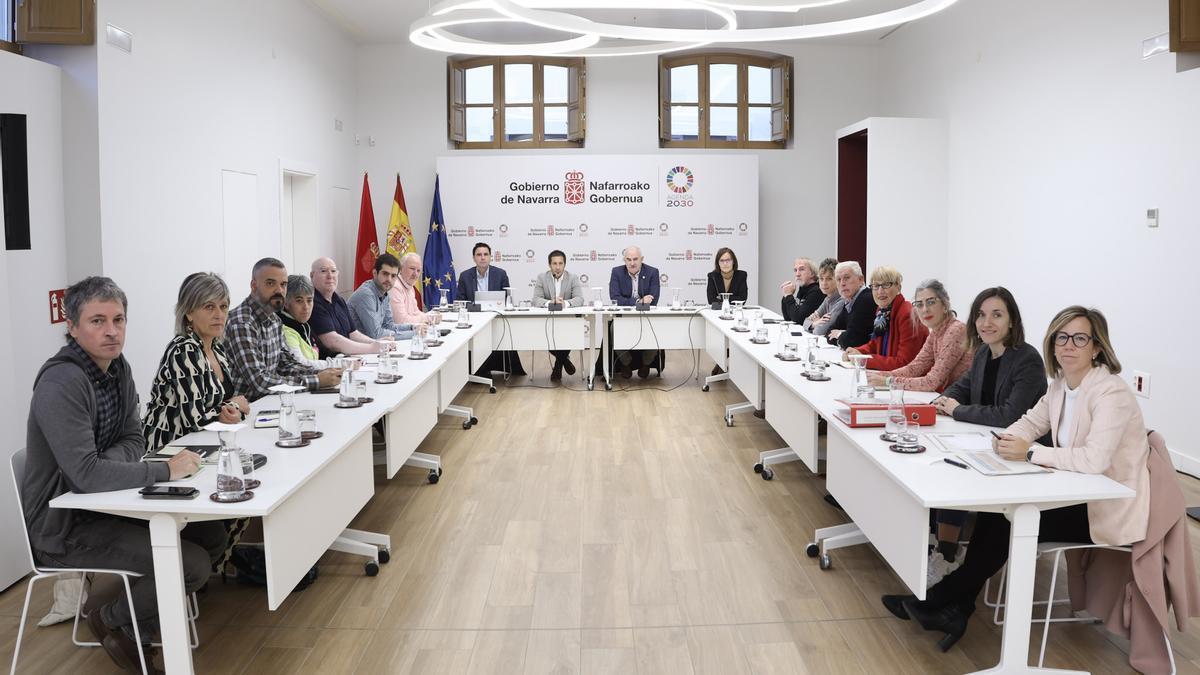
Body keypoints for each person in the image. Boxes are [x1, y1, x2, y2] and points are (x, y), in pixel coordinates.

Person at [889, 306, 1150, 653]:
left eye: (1080, 338)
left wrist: (1028, 452)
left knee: (1009, 520)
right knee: (998, 514)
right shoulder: (1061, 385)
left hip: (1105, 507)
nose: (1068, 345)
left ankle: (943, 600)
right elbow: (1029, 422)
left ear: (1097, 347)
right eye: (1061, 337)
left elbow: (1093, 459)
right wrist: (1004, 441)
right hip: (1073, 491)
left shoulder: (1110, 393)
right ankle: (952, 606)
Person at [22, 277, 227, 673]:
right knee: (192, 565)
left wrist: (105, 464)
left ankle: (137, 623)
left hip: (102, 502)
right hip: (62, 526)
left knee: (211, 534)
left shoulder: (117, 368)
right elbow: (85, 476)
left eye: (118, 319)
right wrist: (163, 468)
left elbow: (136, 438)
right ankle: (112, 618)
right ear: (73, 326)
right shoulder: (61, 382)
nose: (111, 330)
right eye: (97, 321)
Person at [913, 287, 1049, 579]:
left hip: (1020, 454)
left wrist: (955, 410)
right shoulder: (985, 352)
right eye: (981, 315)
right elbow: (962, 386)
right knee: (940, 461)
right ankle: (943, 545)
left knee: (954, 471)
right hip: (984, 441)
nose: (987, 322)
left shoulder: (1028, 360)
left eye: (996, 315)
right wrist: (943, 400)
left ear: (1012, 320)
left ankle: (947, 554)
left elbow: (1009, 416)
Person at [143, 272, 250, 452]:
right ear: (189, 313)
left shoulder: (217, 348)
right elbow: (195, 420)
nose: (219, 314)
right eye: (209, 307)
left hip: (204, 444)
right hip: (168, 449)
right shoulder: (184, 350)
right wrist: (234, 405)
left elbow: (221, 409)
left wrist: (232, 409)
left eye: (223, 306)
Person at [226, 258, 342, 400]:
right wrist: (317, 380)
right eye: (270, 283)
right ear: (254, 285)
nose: (279, 290)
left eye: (283, 284)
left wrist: (325, 373)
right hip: (248, 409)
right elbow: (260, 382)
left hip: (272, 402)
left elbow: (286, 366)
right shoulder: (242, 323)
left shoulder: (274, 320)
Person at [866, 279, 970, 393]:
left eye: (931, 302)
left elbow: (932, 382)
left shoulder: (955, 330)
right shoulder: (936, 332)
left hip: (963, 404)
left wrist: (888, 381)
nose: (925, 309)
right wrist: (880, 375)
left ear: (945, 305)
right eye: (919, 304)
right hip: (949, 399)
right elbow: (915, 368)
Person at [455, 242, 525, 376]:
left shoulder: (500, 274)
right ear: (474, 258)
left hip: (495, 318)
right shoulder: (465, 275)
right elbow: (460, 301)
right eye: (479, 255)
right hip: (473, 320)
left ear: (490, 257)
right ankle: (478, 370)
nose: (482, 257)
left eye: (485, 254)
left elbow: (507, 299)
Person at [845, 266, 928, 370]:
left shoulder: (908, 314)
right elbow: (875, 344)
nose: (880, 291)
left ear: (898, 287)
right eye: (875, 286)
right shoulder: (882, 312)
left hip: (908, 382)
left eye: (886, 285)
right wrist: (858, 352)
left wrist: (864, 360)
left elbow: (904, 363)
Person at [309, 257, 391, 358]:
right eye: (323, 271)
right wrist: (372, 348)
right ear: (312, 276)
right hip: (330, 365)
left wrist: (377, 343)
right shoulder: (311, 302)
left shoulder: (339, 300)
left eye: (333, 271)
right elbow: (332, 342)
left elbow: (353, 334)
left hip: (348, 359)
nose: (330, 276)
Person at [608, 245, 662, 378]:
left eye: (635, 259)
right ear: (624, 260)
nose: (632, 263)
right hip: (624, 317)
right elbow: (615, 298)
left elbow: (653, 299)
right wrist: (638, 302)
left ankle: (646, 363)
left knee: (657, 329)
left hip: (646, 317)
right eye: (628, 259)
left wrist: (634, 301)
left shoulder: (652, 272)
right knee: (613, 329)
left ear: (642, 259)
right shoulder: (617, 272)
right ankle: (626, 363)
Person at [532, 249, 584, 380]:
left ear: (565, 265)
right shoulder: (542, 278)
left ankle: (558, 366)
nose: (558, 267)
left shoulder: (573, 278)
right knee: (545, 337)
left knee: (569, 335)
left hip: (567, 321)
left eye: (561, 263)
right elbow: (536, 299)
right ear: (549, 265)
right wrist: (551, 302)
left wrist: (564, 303)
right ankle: (564, 360)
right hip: (548, 321)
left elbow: (579, 299)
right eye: (554, 263)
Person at [347, 253, 416, 341]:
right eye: (385, 274)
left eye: (393, 276)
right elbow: (376, 334)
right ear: (375, 273)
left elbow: (388, 325)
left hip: (370, 347)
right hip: (356, 349)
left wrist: (412, 327)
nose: (389, 280)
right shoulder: (366, 294)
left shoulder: (385, 292)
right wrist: (414, 334)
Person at [280, 274, 329, 370]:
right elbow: (300, 364)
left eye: (309, 300)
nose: (306, 307)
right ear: (286, 303)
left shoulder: (304, 325)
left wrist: (343, 358)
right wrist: (334, 364)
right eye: (299, 301)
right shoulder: (285, 328)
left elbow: (325, 353)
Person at [825, 261, 876, 348]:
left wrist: (839, 335)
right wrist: (843, 336)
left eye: (847, 278)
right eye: (838, 279)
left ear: (861, 279)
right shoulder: (849, 300)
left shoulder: (866, 299)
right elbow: (829, 332)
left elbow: (853, 341)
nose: (842, 283)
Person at [389, 252, 442, 326]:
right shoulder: (395, 287)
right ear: (400, 269)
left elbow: (415, 312)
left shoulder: (409, 286)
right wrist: (428, 318)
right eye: (412, 269)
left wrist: (432, 316)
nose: (415, 274)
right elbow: (401, 321)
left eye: (418, 270)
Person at [803, 257, 843, 336]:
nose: (824, 283)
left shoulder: (841, 301)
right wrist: (815, 324)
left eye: (829, 279)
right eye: (821, 279)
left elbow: (820, 331)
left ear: (838, 280)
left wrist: (815, 324)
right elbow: (805, 321)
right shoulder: (827, 299)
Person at [780, 257, 824, 324]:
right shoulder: (803, 289)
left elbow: (799, 319)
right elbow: (788, 317)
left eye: (801, 269)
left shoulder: (816, 291)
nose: (797, 274)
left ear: (812, 273)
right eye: (795, 270)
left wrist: (789, 296)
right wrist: (786, 295)